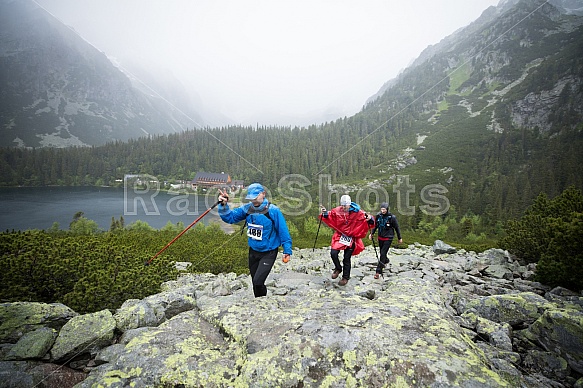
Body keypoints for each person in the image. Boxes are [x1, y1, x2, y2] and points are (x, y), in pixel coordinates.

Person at [217, 183, 292, 297]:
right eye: (251, 198)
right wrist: (223, 205)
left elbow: (283, 231)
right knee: (255, 283)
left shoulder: (273, 210)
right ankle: (259, 304)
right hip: (253, 251)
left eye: (256, 197)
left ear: (263, 194)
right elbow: (230, 217)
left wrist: (287, 250)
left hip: (269, 252)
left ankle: (263, 302)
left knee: (258, 281)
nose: (254, 200)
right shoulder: (247, 208)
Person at [319, 194, 375, 286]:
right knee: (333, 252)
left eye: (345, 205)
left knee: (346, 258)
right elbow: (331, 215)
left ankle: (345, 277)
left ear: (349, 204)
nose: (344, 207)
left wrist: (370, 219)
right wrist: (325, 213)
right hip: (340, 235)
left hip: (352, 238)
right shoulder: (338, 210)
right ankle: (338, 268)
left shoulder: (358, 212)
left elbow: (369, 219)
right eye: (343, 205)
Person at [369, 202, 402, 279]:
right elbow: (375, 225)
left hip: (388, 237)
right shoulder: (378, 216)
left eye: (384, 209)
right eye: (381, 209)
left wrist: (399, 238)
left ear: (387, 209)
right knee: (382, 253)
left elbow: (397, 228)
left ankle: (378, 271)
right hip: (380, 237)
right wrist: (372, 233)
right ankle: (386, 260)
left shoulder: (392, 218)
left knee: (382, 253)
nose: (382, 211)